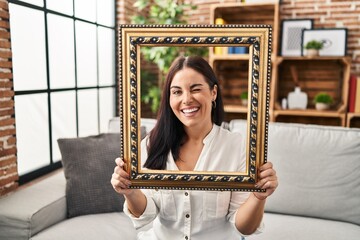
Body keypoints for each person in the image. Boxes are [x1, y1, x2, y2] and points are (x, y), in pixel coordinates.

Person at [111, 56, 278, 240]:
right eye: (177, 92)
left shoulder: (237, 147)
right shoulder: (152, 144)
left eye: (195, 89)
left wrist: (258, 196)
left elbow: (244, 228)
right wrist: (130, 191)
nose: (186, 99)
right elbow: (147, 212)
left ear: (213, 92)